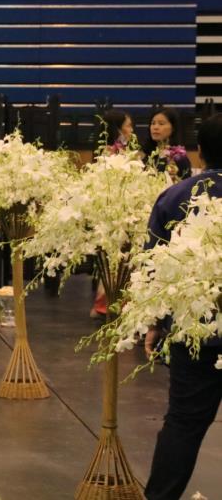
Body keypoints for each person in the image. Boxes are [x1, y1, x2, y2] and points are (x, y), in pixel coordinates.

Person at [143, 113, 222, 500]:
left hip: (194, 330)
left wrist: (155, 323)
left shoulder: (175, 197)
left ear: (200, 152)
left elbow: (154, 268)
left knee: (183, 424)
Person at [90, 108, 137, 318]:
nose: (131, 130)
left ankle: (116, 303)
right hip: (111, 211)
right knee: (113, 258)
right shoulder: (107, 153)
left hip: (126, 210)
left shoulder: (127, 150)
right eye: (128, 125)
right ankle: (107, 304)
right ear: (117, 129)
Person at [143, 107, 191, 182]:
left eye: (161, 124)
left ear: (173, 128)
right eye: (153, 123)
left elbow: (187, 183)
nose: (155, 127)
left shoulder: (179, 156)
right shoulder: (147, 154)